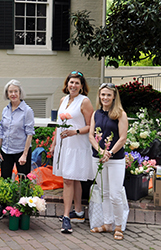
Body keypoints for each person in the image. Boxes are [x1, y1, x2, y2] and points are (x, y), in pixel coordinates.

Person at [51, 71, 94, 233]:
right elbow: (58, 124)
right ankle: (79, 212)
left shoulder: (85, 101)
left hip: (77, 145)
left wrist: (74, 132)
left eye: (77, 83)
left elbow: (91, 125)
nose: (73, 86)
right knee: (74, 179)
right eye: (71, 82)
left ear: (82, 86)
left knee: (68, 180)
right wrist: (54, 143)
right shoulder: (63, 100)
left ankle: (67, 216)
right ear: (67, 84)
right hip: (64, 145)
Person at [88, 83, 128, 240]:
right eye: (103, 94)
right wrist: (100, 151)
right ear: (99, 95)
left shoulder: (120, 114)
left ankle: (118, 226)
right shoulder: (96, 114)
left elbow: (123, 138)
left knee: (115, 195)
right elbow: (91, 135)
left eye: (108, 95)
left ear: (114, 97)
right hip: (97, 157)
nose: (105, 97)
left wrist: (109, 153)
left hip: (115, 159)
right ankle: (107, 223)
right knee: (103, 192)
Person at [0, 79, 35, 220]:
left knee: (23, 181)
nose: (13, 94)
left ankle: (23, 208)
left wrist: (24, 155)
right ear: (7, 93)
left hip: (21, 151)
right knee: (4, 179)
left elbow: (30, 133)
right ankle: (3, 207)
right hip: (6, 150)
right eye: (10, 91)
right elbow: (1, 130)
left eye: (15, 91)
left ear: (20, 93)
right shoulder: (5, 109)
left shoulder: (27, 110)